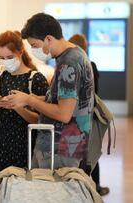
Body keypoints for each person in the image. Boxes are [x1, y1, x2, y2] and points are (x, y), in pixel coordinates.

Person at [7, 13, 95, 169]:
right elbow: (60, 98)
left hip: (59, 150)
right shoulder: (72, 55)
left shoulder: (69, 63)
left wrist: (29, 100)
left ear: (48, 39)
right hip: (60, 147)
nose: (34, 50)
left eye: (34, 45)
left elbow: (63, 113)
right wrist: (30, 98)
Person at [0, 31, 49, 180]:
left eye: (10, 57)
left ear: (21, 52)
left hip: (26, 147)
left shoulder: (35, 79)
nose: (6, 61)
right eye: (2, 58)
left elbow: (41, 121)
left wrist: (17, 107)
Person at [69, 33, 109, 196]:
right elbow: (95, 93)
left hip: (71, 119)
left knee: (74, 154)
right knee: (91, 152)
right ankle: (96, 186)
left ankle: (76, 188)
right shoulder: (90, 65)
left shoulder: (68, 66)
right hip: (87, 118)